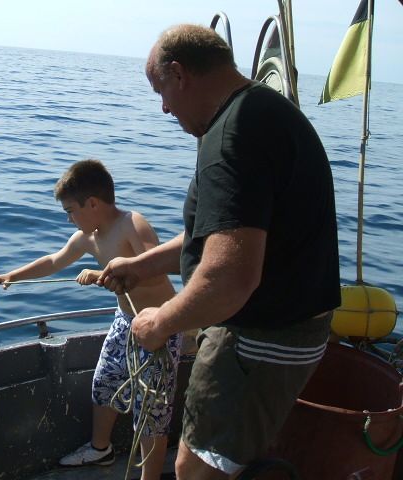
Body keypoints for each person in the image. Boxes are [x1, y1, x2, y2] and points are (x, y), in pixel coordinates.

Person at [98, 24, 341, 480]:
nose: (164, 107)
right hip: (284, 337)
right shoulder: (261, 112)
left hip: (258, 340)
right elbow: (216, 237)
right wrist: (140, 265)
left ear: (179, 74)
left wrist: (159, 322)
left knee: (197, 468)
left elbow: (228, 277)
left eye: (161, 91)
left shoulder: (231, 136)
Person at [0, 158, 182, 480]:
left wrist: (105, 273)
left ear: (92, 203)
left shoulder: (132, 224)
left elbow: (157, 271)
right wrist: (11, 276)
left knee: (151, 411)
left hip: (158, 327)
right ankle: (100, 449)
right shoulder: (87, 237)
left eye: (70, 211)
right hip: (124, 321)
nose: (69, 219)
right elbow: (54, 261)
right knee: (104, 384)